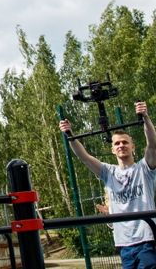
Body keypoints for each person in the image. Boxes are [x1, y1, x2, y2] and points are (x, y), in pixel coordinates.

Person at [59, 102, 156, 267]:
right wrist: (69, 135)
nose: (121, 145)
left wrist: (145, 117)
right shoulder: (108, 172)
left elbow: (153, 145)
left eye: (125, 142)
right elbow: (84, 157)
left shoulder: (144, 168)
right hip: (124, 244)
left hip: (147, 240)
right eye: (117, 143)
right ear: (112, 149)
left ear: (133, 146)